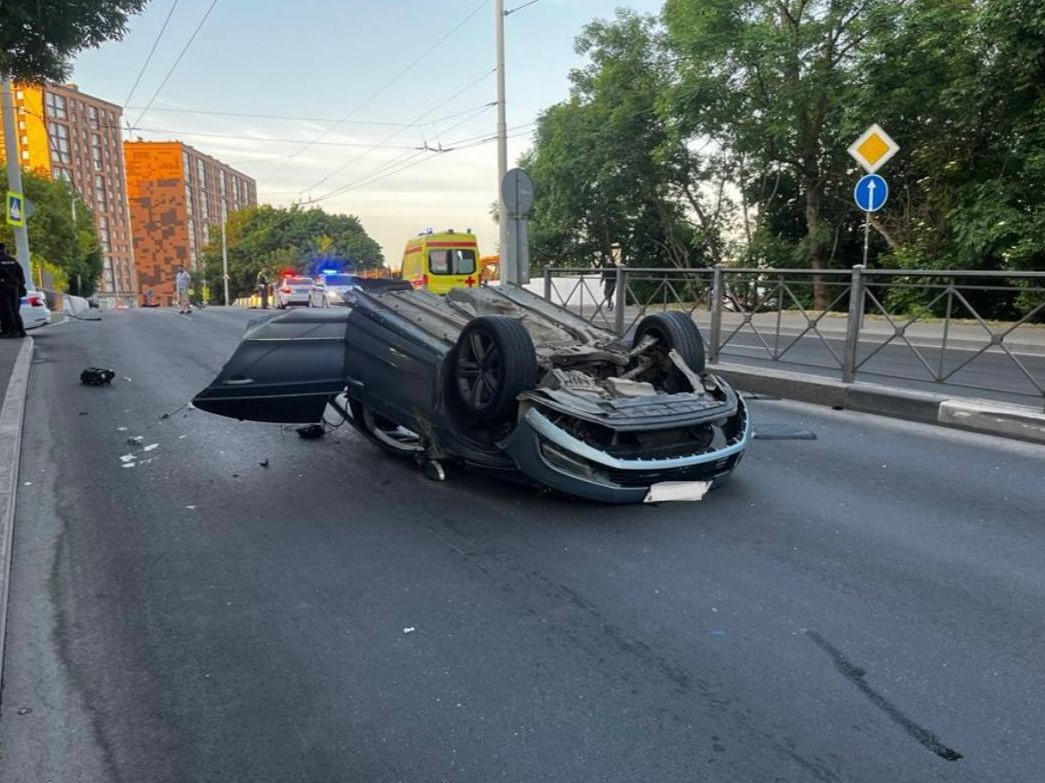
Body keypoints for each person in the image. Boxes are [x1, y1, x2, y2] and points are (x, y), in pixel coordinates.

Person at [0, 243, 27, 338]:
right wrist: (19, 286)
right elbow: (21, 275)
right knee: (15, 310)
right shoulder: (13, 261)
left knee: (6, 309)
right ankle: (21, 330)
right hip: (14, 288)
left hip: (3, 289)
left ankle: (11, 331)